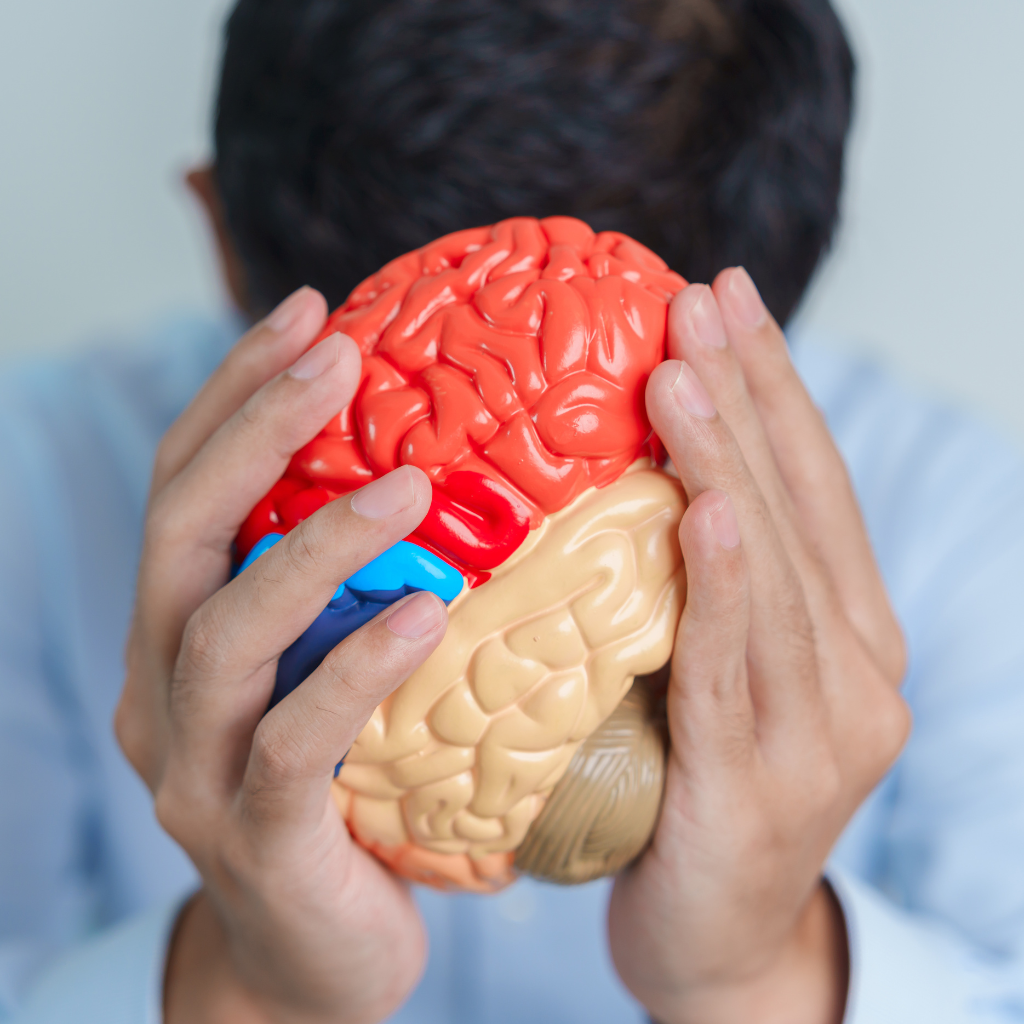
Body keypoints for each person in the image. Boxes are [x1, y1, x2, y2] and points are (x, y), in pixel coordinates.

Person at [3, 0, 1024, 1022]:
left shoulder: (956, 519)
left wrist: (759, 978)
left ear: (216, 226)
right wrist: (249, 990)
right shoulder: (33, 494)